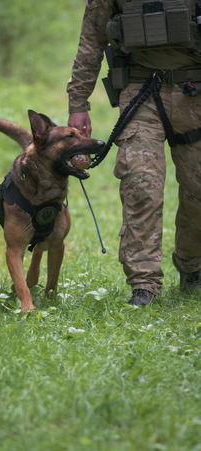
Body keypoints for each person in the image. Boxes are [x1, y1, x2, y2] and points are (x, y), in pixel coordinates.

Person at [67, 0, 201, 305]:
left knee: (199, 191)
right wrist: (78, 103)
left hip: (195, 92)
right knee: (141, 185)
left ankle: (193, 266)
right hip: (142, 90)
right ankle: (144, 283)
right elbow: (91, 40)